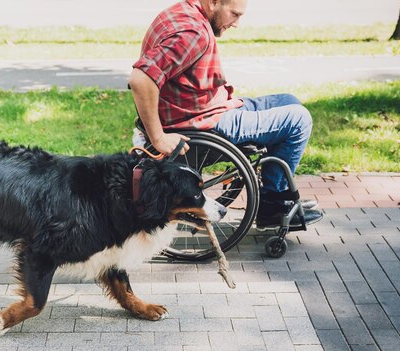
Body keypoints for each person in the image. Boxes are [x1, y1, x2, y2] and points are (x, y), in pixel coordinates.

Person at [128, 0, 323, 230]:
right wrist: (159, 138)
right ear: (213, 2)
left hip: (206, 109)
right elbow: (140, 79)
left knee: (288, 101)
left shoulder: (182, 11)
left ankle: (274, 193)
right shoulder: (192, 33)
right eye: (234, 14)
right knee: (299, 120)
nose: (237, 23)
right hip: (201, 123)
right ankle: (273, 204)